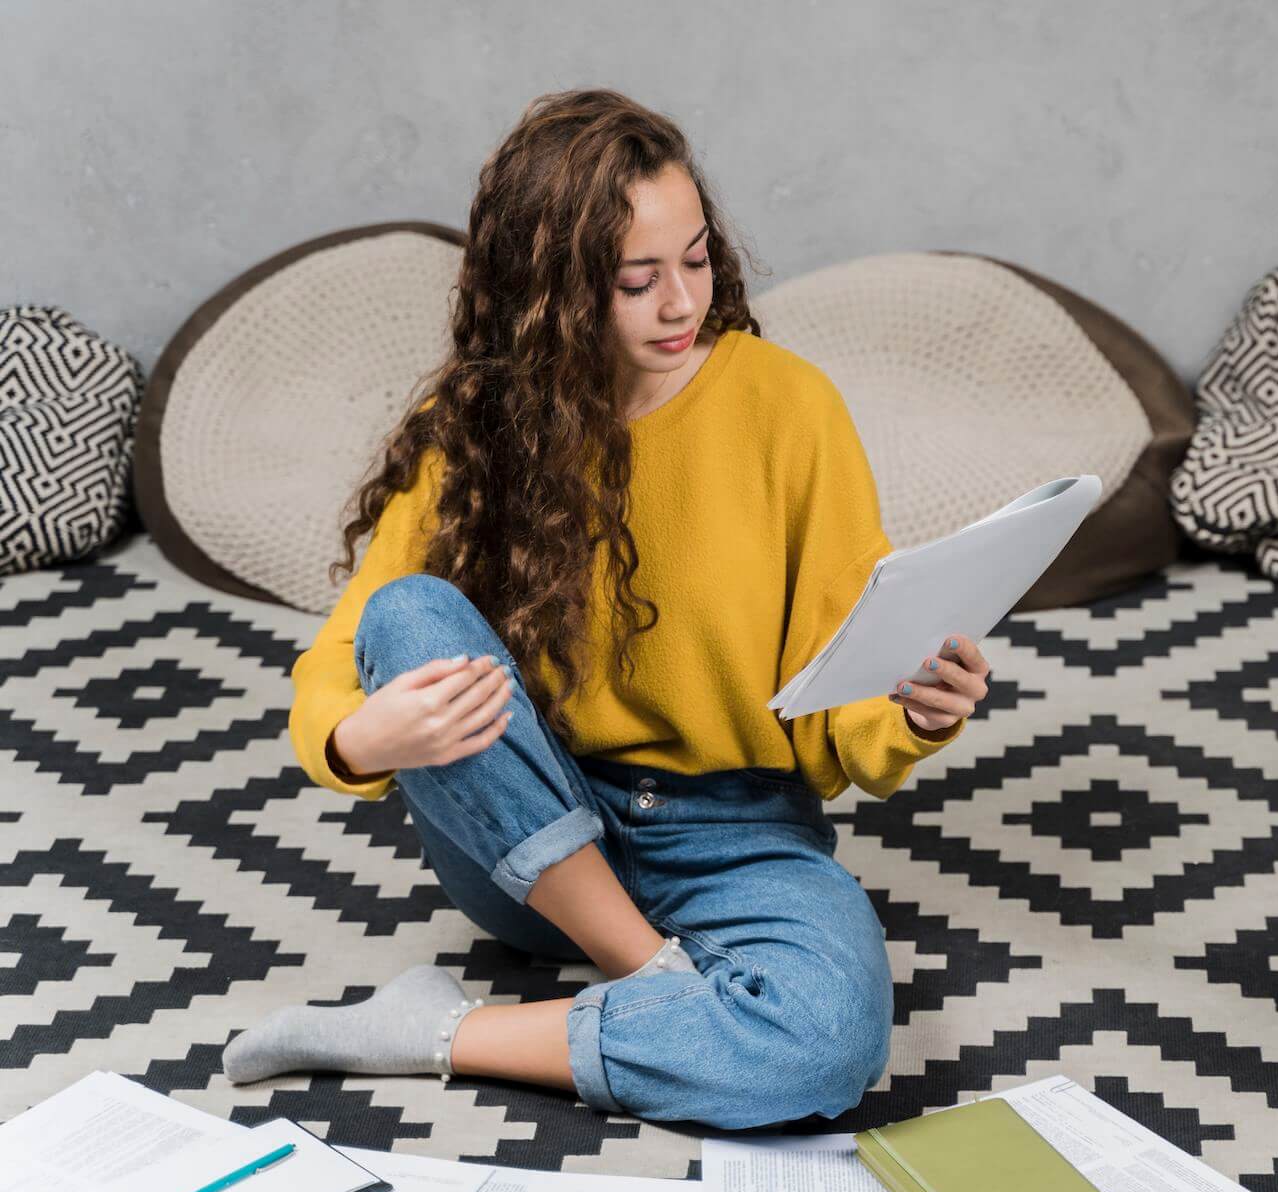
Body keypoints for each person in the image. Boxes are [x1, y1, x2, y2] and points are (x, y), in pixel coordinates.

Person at [220, 88, 985, 1130]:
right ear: (551, 291)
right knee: (409, 613)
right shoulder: (476, 426)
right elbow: (347, 651)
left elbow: (834, 682)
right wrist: (364, 737)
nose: (680, 303)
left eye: (697, 259)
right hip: (533, 840)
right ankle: (656, 977)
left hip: (740, 837)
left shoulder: (788, 407)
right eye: (637, 279)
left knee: (827, 1047)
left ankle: (435, 1031)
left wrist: (909, 711)